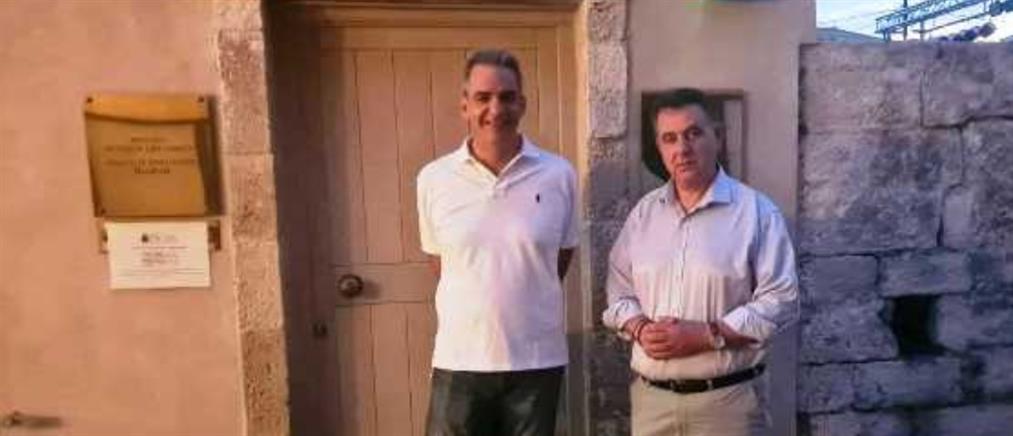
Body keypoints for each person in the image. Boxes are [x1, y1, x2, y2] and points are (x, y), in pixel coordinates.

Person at [602, 88, 798, 436]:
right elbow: (618, 294)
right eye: (670, 138)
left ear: (717, 137)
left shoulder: (756, 213)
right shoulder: (643, 216)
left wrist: (707, 335)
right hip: (652, 405)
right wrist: (641, 328)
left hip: (728, 406)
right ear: (660, 148)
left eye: (693, 133)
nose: (682, 149)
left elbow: (780, 302)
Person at [416, 49, 578, 436]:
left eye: (507, 97)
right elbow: (442, 264)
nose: (495, 109)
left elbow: (556, 261)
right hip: (459, 361)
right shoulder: (434, 179)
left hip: (536, 362)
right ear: (465, 106)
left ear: (522, 104)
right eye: (483, 98)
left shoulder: (559, 175)